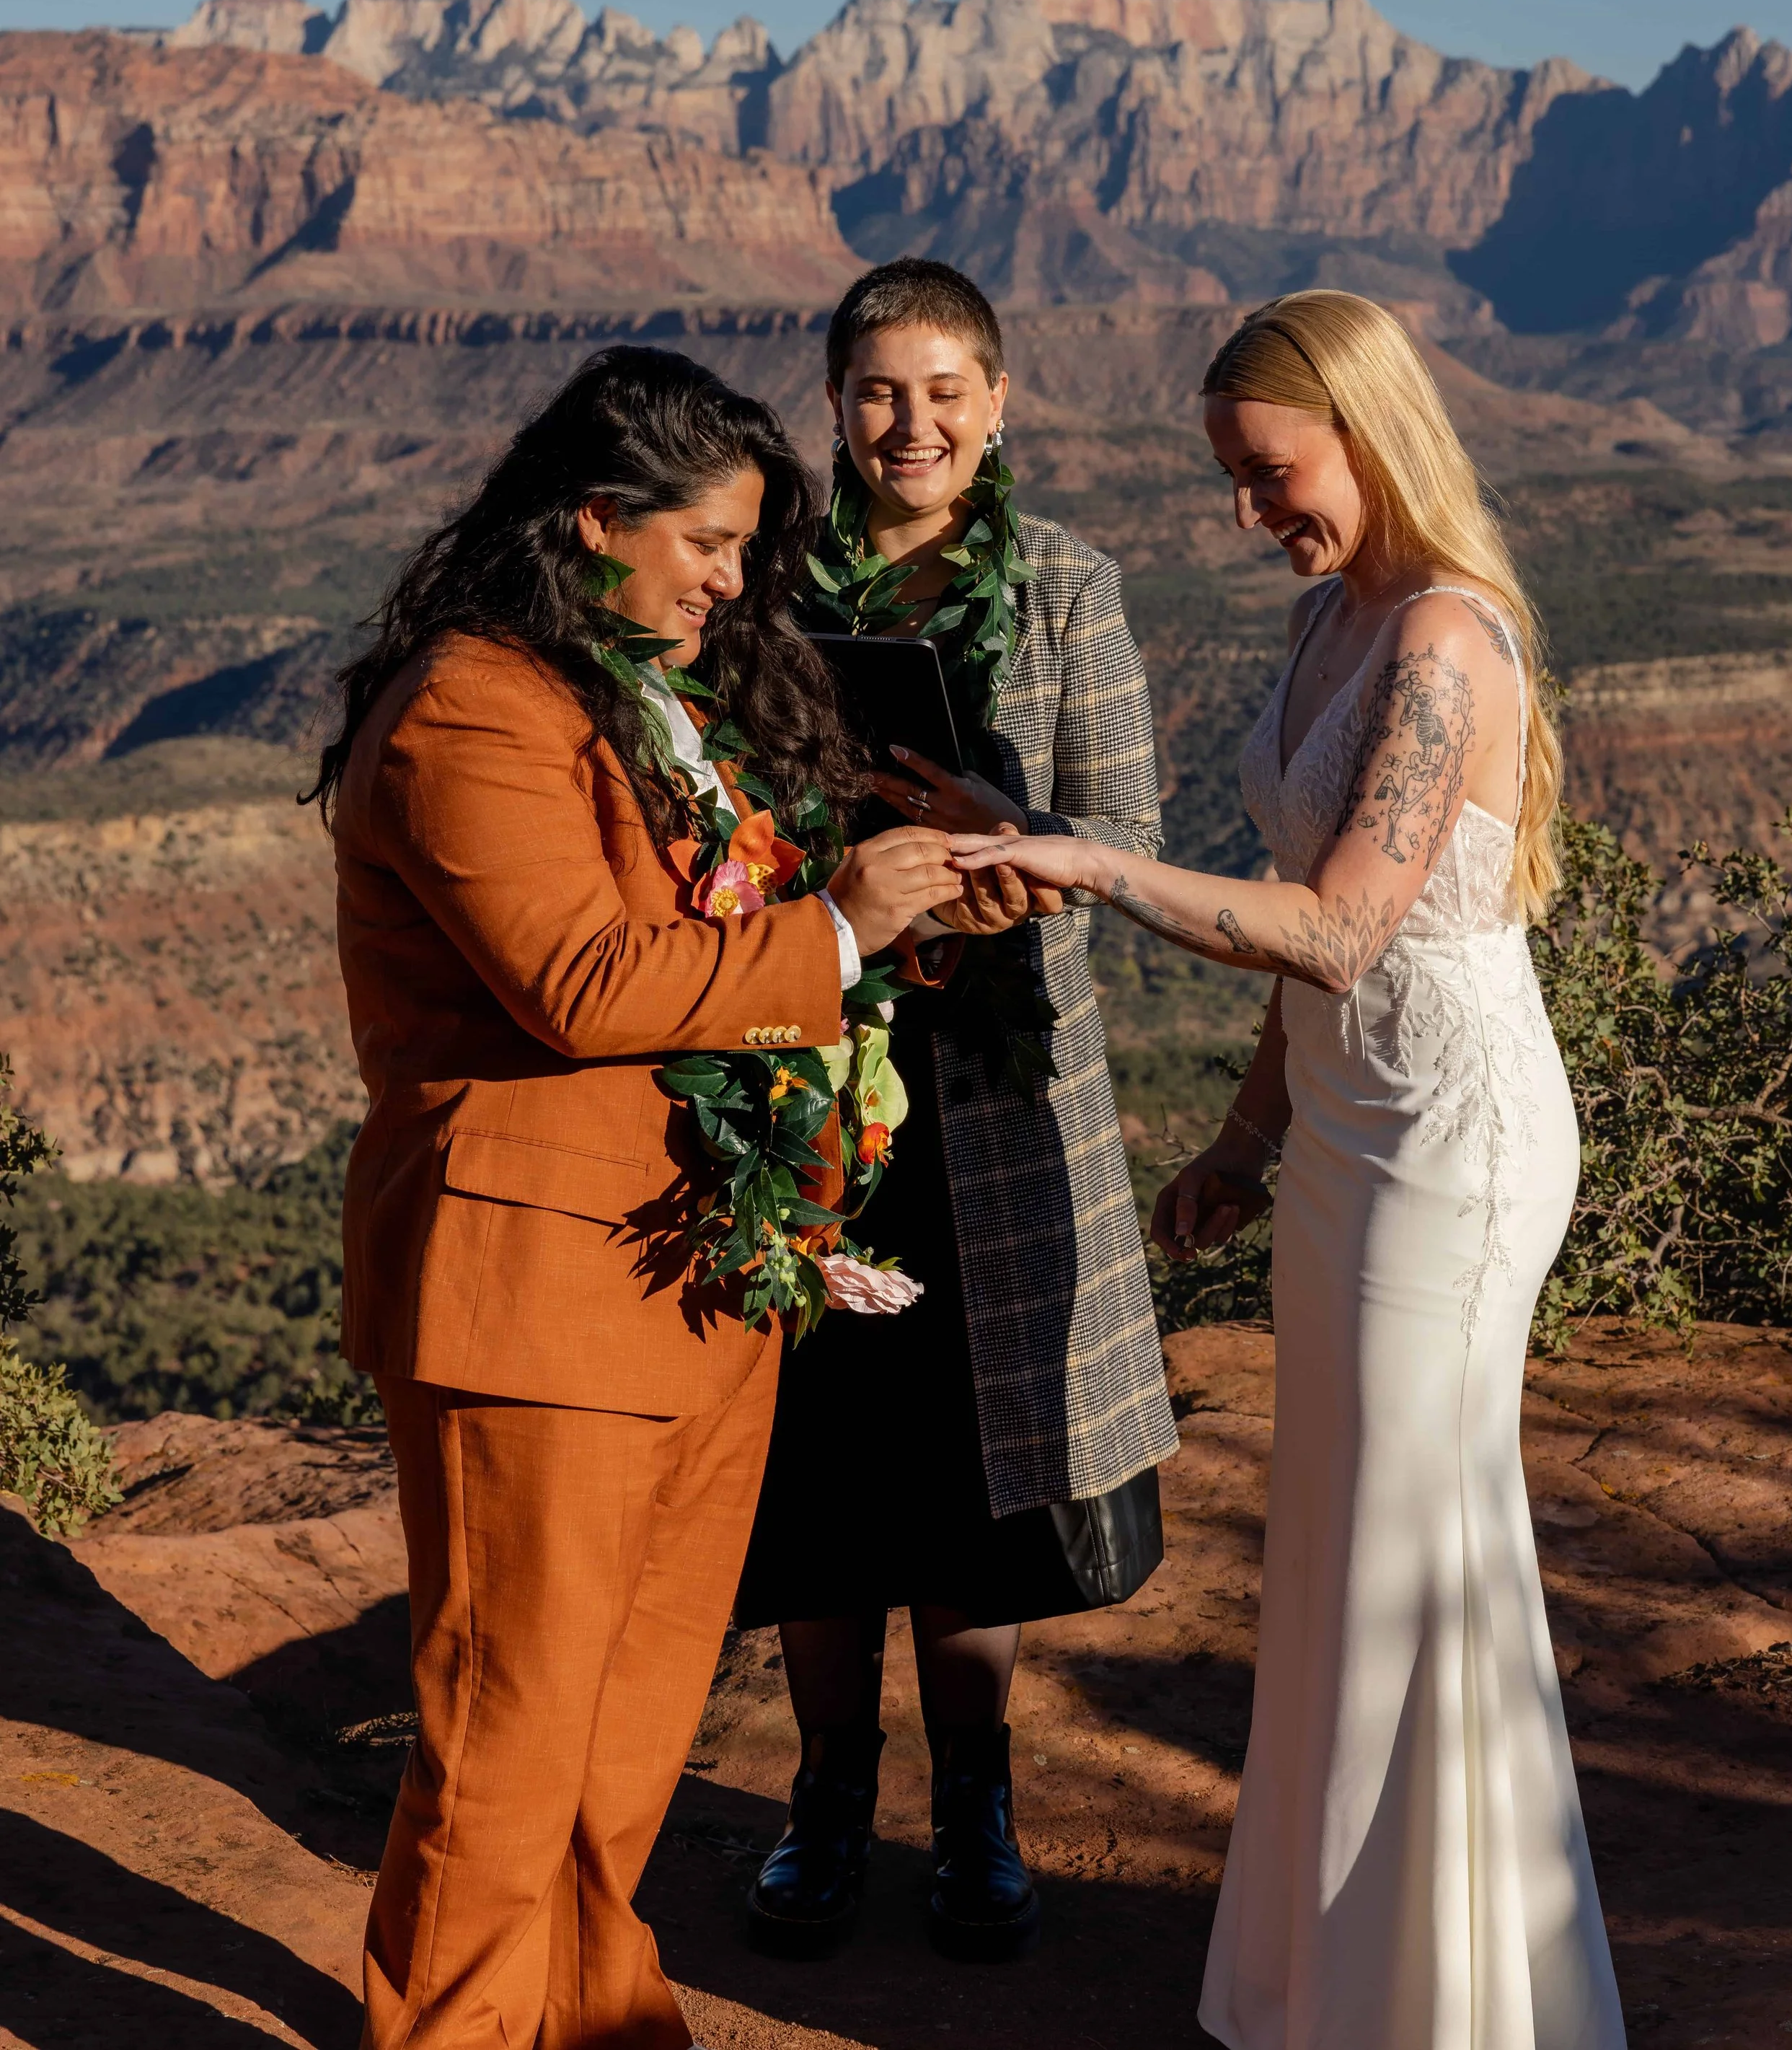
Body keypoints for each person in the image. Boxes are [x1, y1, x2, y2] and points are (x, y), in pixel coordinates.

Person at [311, 345, 1033, 2050]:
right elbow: (581, 976)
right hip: (534, 1301)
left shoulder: (652, 698)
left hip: (700, 1284)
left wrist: (933, 903)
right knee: (509, 1727)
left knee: (629, 1726)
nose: (731, 579)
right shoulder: (471, 703)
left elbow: (735, 942)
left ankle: (594, 2013)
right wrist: (843, 923)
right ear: (592, 522)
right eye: (706, 543)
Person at [951, 290, 1628, 2049]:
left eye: (1271, 473)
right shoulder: (1336, 615)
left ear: (1366, 426)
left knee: (1417, 1546)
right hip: (1340, 1134)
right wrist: (1246, 1144)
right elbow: (1318, 941)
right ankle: (1335, 1982)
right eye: (1234, 484)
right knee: (1336, 1540)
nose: (1253, 514)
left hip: (1449, 1147)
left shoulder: (1443, 647)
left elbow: (1334, 931)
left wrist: (1089, 867)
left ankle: (1456, 2006)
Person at [738, 259, 1180, 1964]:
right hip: (807, 1070)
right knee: (823, 1453)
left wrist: (1018, 844)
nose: (907, 424)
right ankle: (826, 1796)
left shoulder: (1069, 586)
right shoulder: (768, 579)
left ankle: (975, 1801)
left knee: (972, 1460)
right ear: (832, 401)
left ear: (998, 405)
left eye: (942, 392)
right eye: (873, 391)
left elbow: (1123, 836)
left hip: (995, 1094)